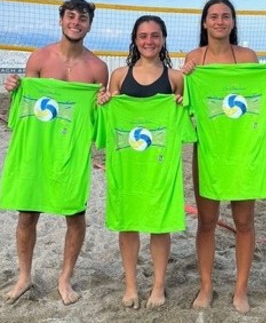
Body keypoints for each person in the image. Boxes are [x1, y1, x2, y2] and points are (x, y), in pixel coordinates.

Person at [0, 0, 109, 305]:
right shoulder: (39, 59)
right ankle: (24, 276)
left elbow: (99, 117)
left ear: (89, 24)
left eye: (83, 18)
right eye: (71, 17)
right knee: (27, 215)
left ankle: (65, 278)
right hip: (36, 148)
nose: (76, 23)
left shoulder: (97, 68)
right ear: (61, 20)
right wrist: (13, 90)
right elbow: (22, 110)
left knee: (75, 216)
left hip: (71, 152)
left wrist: (102, 104)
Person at [182, 0, 266, 314]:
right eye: (213, 16)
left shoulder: (246, 56)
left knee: (244, 223)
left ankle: (240, 290)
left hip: (244, 150)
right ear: (204, 22)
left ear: (233, 22)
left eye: (225, 16)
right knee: (207, 222)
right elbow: (181, 101)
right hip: (210, 150)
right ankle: (206, 286)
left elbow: (264, 93)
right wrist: (184, 75)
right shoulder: (194, 59)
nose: (219, 21)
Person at [97, 15, 188, 309]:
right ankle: (131, 286)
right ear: (135, 40)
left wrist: (181, 104)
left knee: (159, 225)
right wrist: (104, 103)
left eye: (155, 35)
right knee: (129, 223)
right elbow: (110, 119)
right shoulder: (120, 76)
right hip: (128, 165)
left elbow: (186, 122)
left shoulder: (176, 79)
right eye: (143, 36)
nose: (149, 41)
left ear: (163, 40)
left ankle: (158, 286)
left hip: (160, 165)